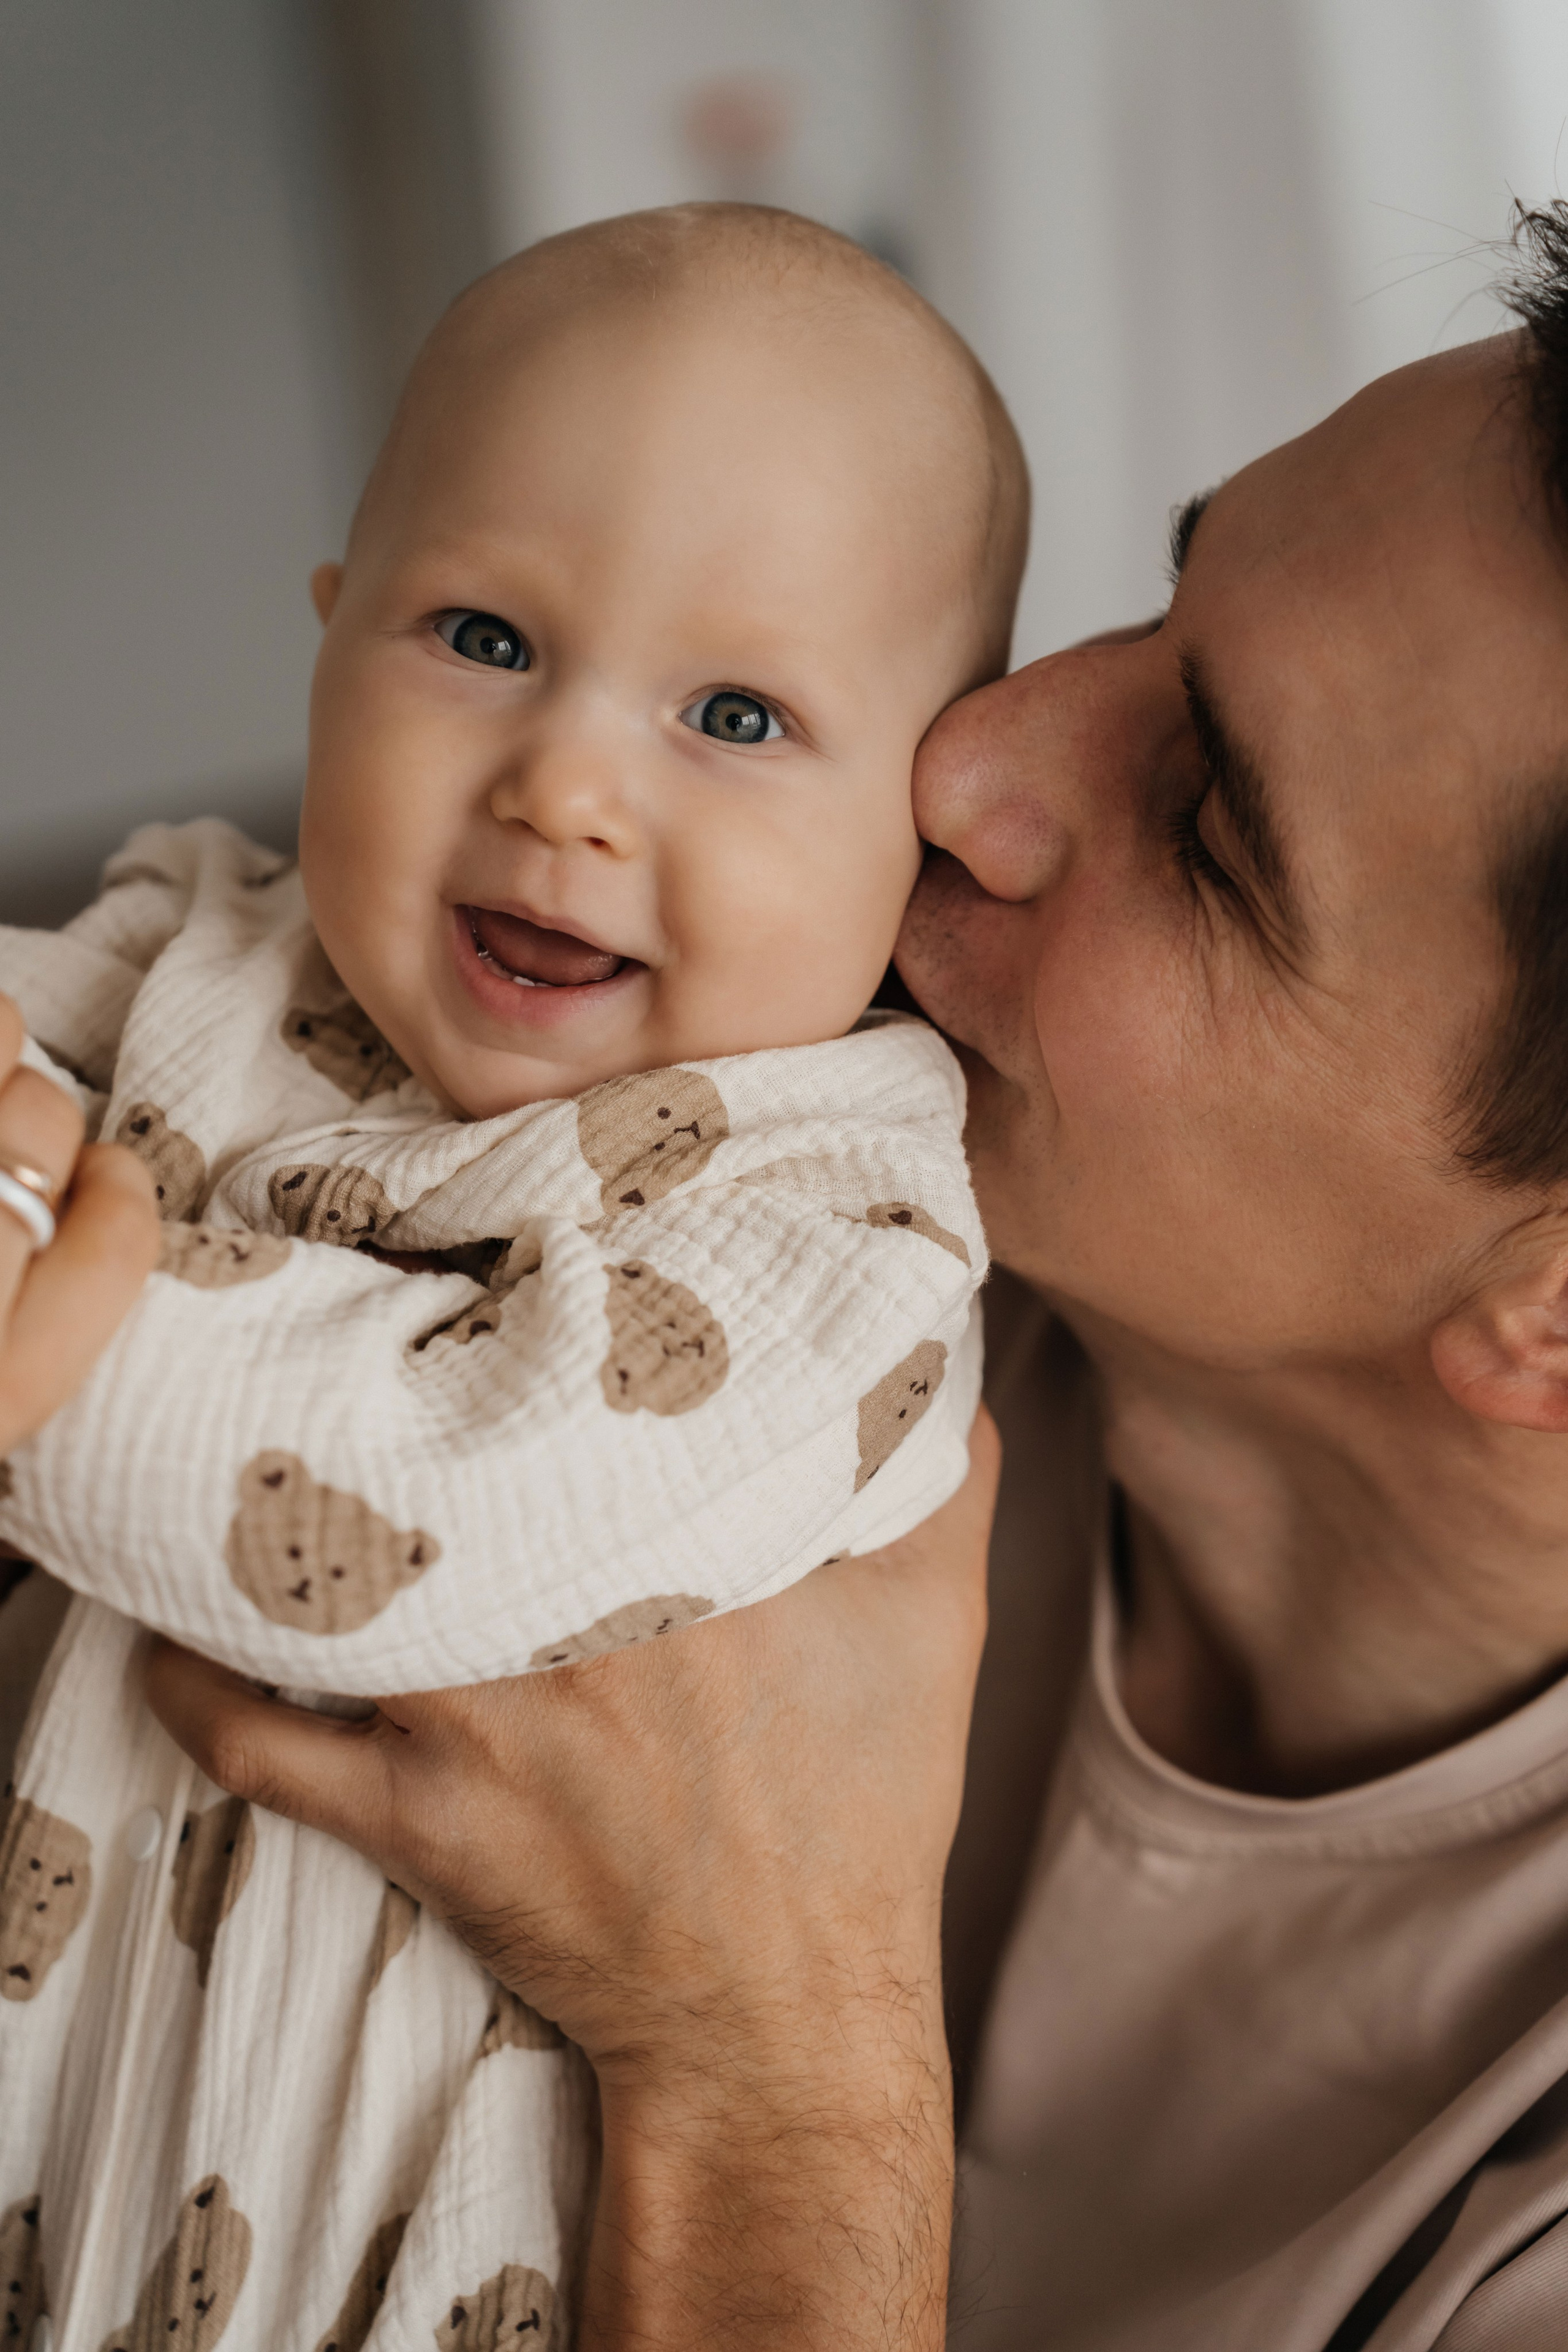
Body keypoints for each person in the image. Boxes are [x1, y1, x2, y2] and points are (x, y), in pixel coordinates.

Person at [13, 201, 1568, 2350]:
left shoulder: (802, 1232)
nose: (969, 758)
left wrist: (779, 2096)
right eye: (1152, 596)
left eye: (1213, 830)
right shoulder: (705, 1061)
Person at [0, 205, 1025, 2348]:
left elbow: (444, 1497)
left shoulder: (843, 1217)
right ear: (323, 633)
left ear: (928, 814)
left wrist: (41, 1334)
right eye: (480, 638)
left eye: (735, 712)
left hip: (368, 2257)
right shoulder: (206, 938)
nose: (568, 784)